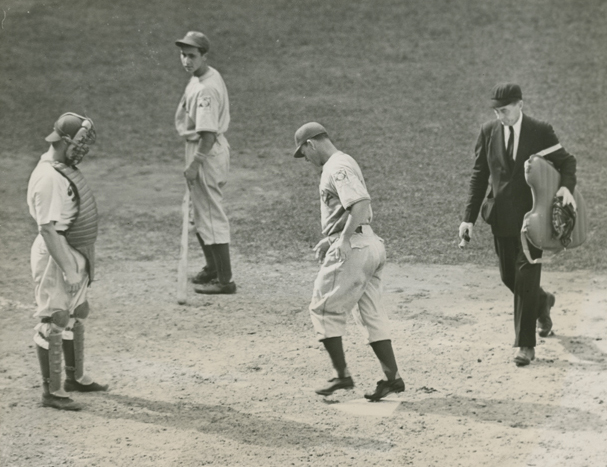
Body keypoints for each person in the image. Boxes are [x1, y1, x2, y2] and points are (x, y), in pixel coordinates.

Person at [458, 83, 577, 366]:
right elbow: (479, 176)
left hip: (533, 220)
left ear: (520, 105)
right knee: (508, 277)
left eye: (505, 110)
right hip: (500, 218)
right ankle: (543, 302)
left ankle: (525, 346)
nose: (500, 116)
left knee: (525, 278)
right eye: (496, 111)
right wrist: (468, 218)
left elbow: (567, 162)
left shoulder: (539, 130)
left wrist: (566, 187)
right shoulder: (488, 132)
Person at [294, 122, 405, 401]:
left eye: (304, 153)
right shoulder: (344, 161)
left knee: (322, 307)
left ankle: (341, 375)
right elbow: (348, 209)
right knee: (370, 313)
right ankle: (392, 379)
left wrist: (342, 239)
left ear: (311, 144)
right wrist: (331, 238)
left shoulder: (336, 166)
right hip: (369, 244)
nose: (306, 159)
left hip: (355, 247)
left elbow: (360, 203)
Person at [27, 113, 108, 411]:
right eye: (79, 143)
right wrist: (68, 269)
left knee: (77, 312)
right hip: (56, 252)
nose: (83, 149)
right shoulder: (49, 177)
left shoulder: (64, 169)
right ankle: (51, 392)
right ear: (63, 140)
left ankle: (75, 378)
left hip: (73, 246)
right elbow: (47, 229)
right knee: (55, 318)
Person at [174, 31, 235, 295]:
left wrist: (194, 164)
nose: (186, 60)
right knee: (198, 214)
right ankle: (212, 268)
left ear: (204, 56)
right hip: (203, 148)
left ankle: (225, 280)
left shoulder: (206, 88)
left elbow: (208, 134)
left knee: (210, 215)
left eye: (192, 55)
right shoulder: (203, 76)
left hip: (206, 152)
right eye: (183, 55)